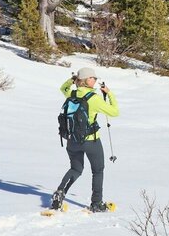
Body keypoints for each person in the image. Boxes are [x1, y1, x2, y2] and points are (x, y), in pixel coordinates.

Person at [50, 66, 119, 212]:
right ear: (87, 80)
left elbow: (62, 88)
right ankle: (96, 203)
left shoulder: (72, 93)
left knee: (75, 169)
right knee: (98, 170)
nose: (95, 81)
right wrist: (109, 93)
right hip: (91, 141)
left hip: (72, 140)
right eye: (93, 78)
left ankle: (60, 193)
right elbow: (114, 112)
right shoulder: (93, 98)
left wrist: (71, 80)